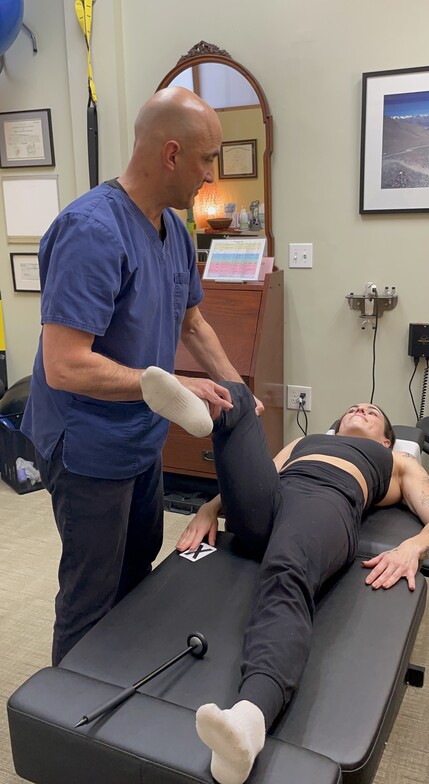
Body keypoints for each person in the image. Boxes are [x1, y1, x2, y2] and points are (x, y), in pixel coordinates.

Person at [21, 86, 262, 667]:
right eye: (207, 159)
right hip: (86, 444)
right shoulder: (92, 231)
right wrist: (176, 392)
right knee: (91, 590)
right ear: (172, 154)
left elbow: (195, 324)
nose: (211, 174)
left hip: (139, 437)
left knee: (139, 563)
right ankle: (70, 729)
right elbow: (65, 364)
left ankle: (121, 693)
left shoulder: (175, 230)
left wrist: (238, 392)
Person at [142, 368, 429, 784]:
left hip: (327, 501)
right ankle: (209, 414)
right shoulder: (305, 441)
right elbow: (260, 476)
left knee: (286, 573)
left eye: (371, 411)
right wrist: (211, 507)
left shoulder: (396, 460)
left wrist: (411, 547)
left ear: (387, 439)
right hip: (270, 502)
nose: (360, 408)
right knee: (238, 399)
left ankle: (249, 720)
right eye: (354, 407)